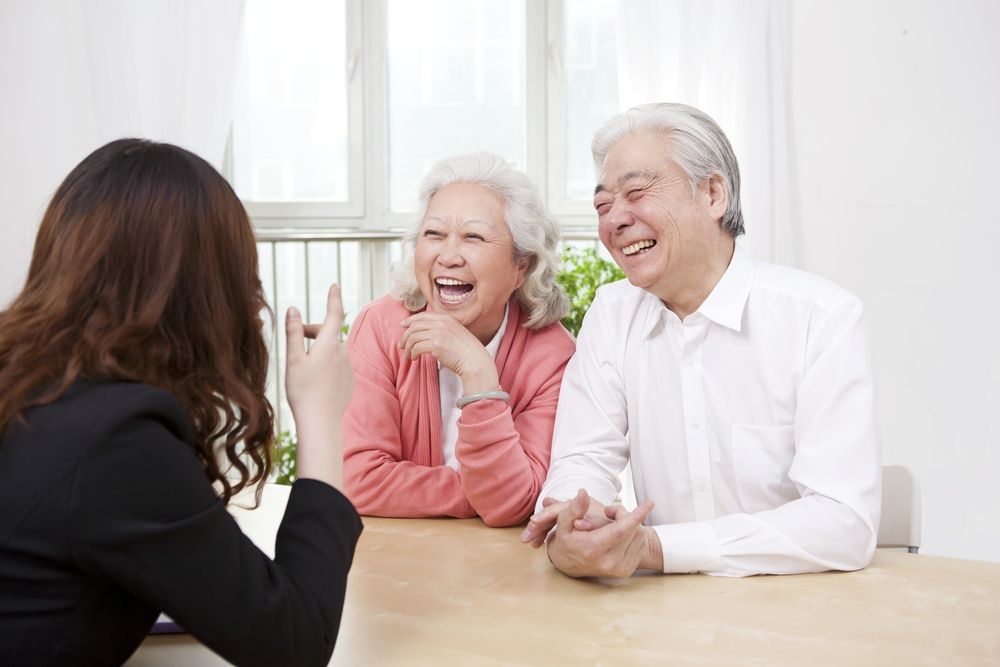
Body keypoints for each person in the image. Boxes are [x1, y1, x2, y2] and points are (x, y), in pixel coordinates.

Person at [0, 139, 362, 666]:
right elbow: (293, 642)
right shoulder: (113, 440)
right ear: (204, 289)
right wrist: (321, 417)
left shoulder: (33, 387)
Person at [521, 103, 881, 578]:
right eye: (603, 205)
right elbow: (584, 457)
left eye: (637, 193)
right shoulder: (611, 314)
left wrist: (653, 548)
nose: (615, 221)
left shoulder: (822, 319)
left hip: (799, 610)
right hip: (663, 618)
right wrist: (574, 521)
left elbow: (844, 523)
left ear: (713, 194)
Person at [339, 152, 575, 526]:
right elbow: (357, 481)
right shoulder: (381, 327)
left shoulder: (553, 355)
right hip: (398, 561)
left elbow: (516, 502)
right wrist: (483, 493)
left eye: (473, 237)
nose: (448, 255)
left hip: (503, 569)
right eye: (433, 234)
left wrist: (478, 373)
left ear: (521, 266)